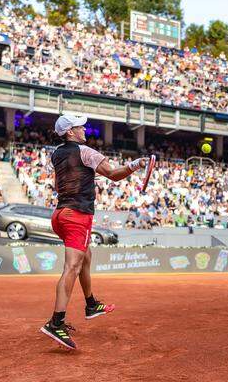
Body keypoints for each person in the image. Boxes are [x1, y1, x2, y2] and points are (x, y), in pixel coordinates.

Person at [40, 114, 149, 350]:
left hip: (60, 216)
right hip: (77, 217)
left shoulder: (56, 153)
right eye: (80, 127)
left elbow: (65, 181)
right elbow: (113, 174)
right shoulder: (85, 151)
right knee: (72, 267)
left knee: (85, 257)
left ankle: (91, 304)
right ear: (70, 132)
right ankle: (56, 323)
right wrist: (135, 165)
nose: (85, 130)